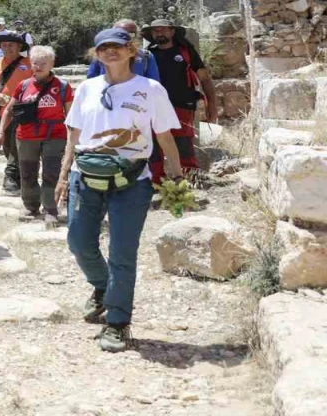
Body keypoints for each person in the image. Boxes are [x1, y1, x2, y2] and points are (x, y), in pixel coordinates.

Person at [56, 28, 184, 353]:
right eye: (103, 48)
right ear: (96, 54)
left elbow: (165, 135)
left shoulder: (150, 89)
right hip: (84, 175)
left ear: (131, 51)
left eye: (117, 47)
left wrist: (176, 173)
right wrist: (61, 176)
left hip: (132, 180)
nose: (110, 52)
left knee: (123, 253)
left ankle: (117, 322)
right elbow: (74, 135)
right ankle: (102, 287)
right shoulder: (86, 89)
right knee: (78, 241)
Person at [0, 45, 72, 225]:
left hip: (55, 135)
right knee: (28, 172)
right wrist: (0, 132)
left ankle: (50, 209)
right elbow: (9, 110)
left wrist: (72, 139)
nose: (38, 67)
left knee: (51, 172)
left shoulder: (62, 86)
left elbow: (70, 115)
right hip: (26, 136)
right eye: (35, 63)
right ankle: (30, 207)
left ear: (52, 63)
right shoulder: (23, 86)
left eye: (43, 63)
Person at [142, 18, 216, 180]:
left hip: (182, 104)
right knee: (154, 145)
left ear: (172, 31)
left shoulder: (186, 52)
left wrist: (212, 106)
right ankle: (156, 181)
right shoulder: (148, 55)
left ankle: (191, 179)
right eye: (155, 30)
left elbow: (204, 78)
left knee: (183, 142)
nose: (159, 33)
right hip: (153, 107)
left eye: (163, 29)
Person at [0, 33, 33, 195]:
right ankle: (17, 175)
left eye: (11, 45)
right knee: (7, 147)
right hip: (2, 112)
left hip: (24, 111)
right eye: (4, 45)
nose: (8, 48)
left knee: (18, 145)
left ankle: (10, 177)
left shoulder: (29, 64)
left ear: (19, 47)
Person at [86, 19, 160, 81]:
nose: (125, 35)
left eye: (131, 33)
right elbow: (91, 78)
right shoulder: (102, 53)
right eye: (120, 32)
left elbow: (153, 81)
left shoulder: (146, 56)